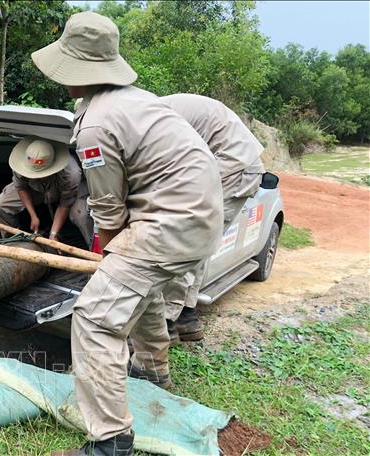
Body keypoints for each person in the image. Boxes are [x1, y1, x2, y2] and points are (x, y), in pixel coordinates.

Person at [31, 12, 223, 455]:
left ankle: (111, 439)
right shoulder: (134, 100)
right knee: (146, 292)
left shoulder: (96, 123)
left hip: (167, 223)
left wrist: (110, 249)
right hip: (197, 219)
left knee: (96, 318)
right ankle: (153, 373)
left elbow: (108, 206)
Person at [153, 94, 266, 345]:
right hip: (239, 166)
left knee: (185, 244)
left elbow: (163, 168)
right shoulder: (158, 106)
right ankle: (186, 316)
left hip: (230, 169)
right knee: (199, 245)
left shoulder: (152, 116)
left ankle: (166, 324)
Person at [0, 136, 93, 246]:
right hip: (36, 188)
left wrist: (53, 234)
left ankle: (95, 250)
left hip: (65, 188)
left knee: (81, 215)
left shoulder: (71, 172)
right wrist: (33, 216)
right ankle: (12, 243)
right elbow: (21, 187)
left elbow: (65, 204)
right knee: (0, 204)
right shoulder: (19, 163)